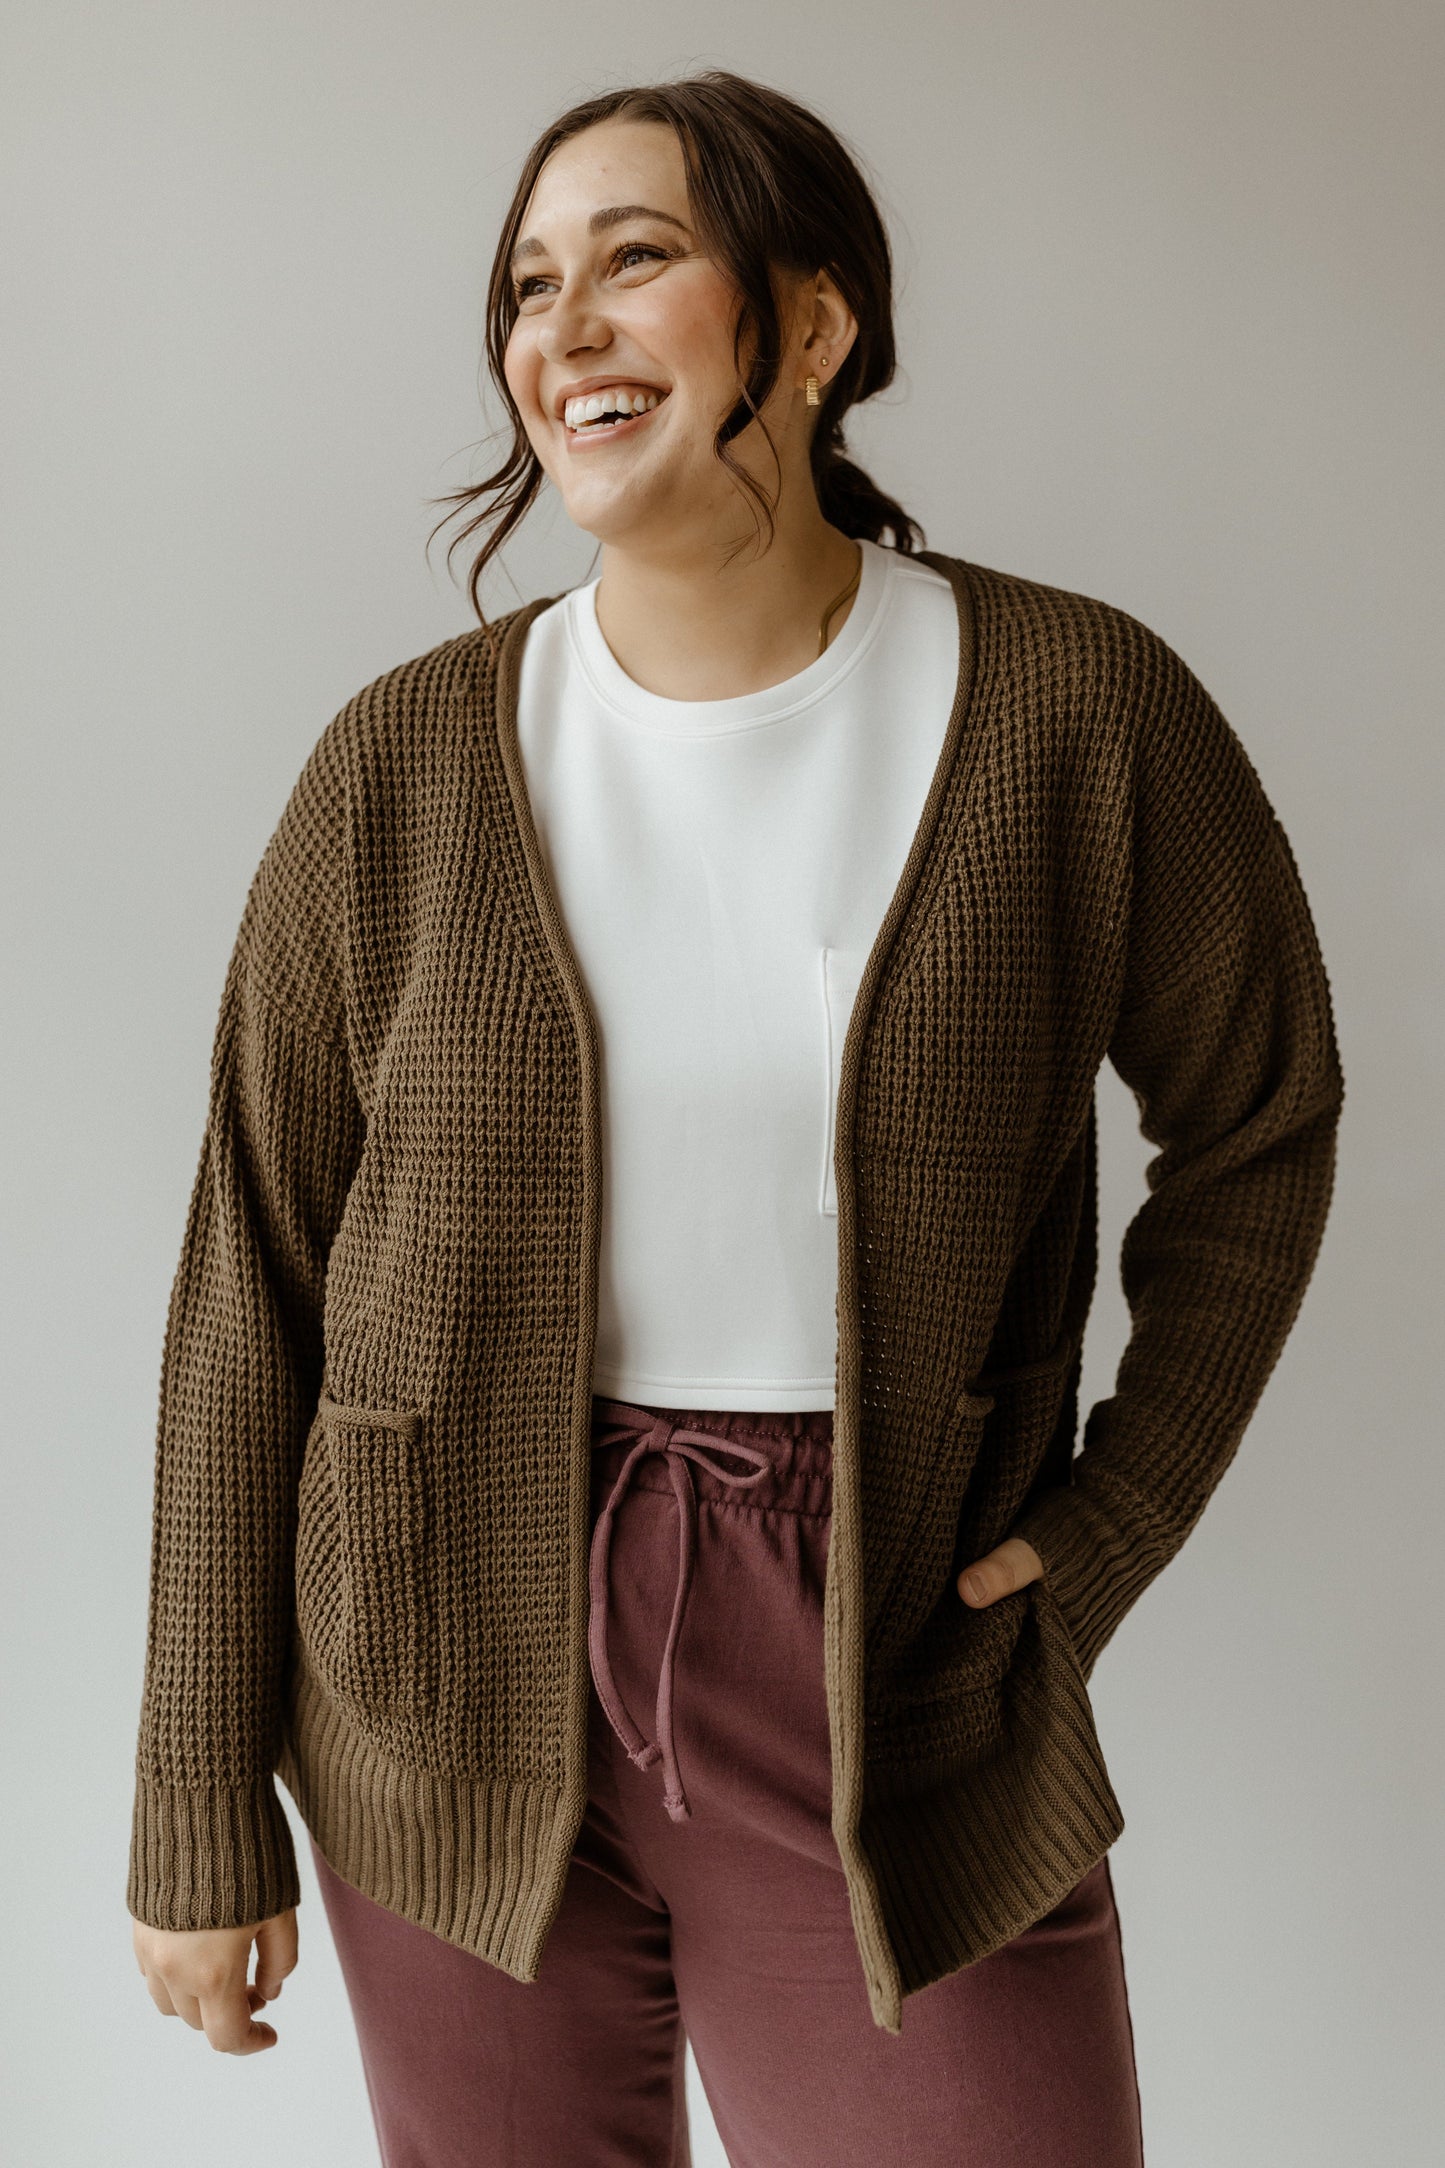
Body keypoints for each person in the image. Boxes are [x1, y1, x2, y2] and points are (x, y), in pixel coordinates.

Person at [127, 67, 1343, 2168]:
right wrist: (189, 1794)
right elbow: (254, 1274)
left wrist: (1108, 1523)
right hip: (440, 1634)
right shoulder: (400, 769)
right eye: (528, 284)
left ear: (813, 321)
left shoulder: (1075, 715)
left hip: (890, 1644)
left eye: (637, 260)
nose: (563, 329)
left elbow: (1261, 1131)